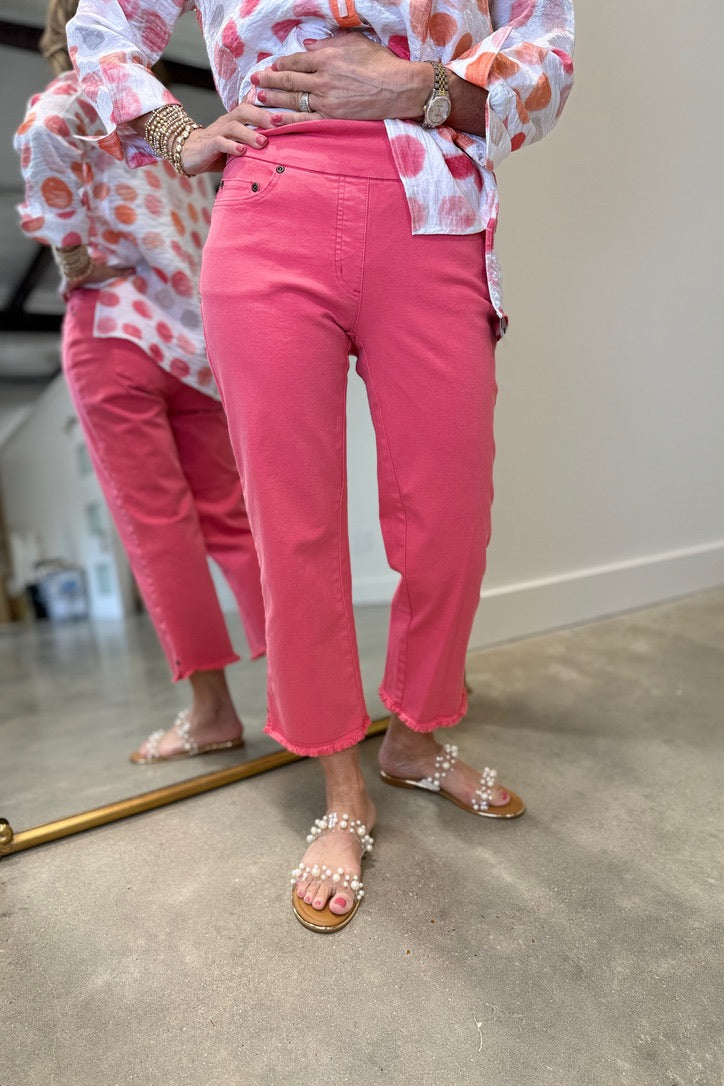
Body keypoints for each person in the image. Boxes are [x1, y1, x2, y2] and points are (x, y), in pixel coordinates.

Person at [68, 0, 574, 932]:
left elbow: (550, 44)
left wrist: (421, 85)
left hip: (434, 206)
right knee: (291, 523)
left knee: (451, 514)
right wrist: (179, 132)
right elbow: (101, 26)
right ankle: (342, 786)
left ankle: (414, 738)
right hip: (269, 203)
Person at [15, 0, 267, 766]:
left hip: (114, 333)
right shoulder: (173, 123)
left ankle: (212, 712)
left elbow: (41, 140)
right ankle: (303, 688)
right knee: (234, 520)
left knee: (158, 527)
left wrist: (70, 258)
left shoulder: (65, 102)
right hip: (192, 344)